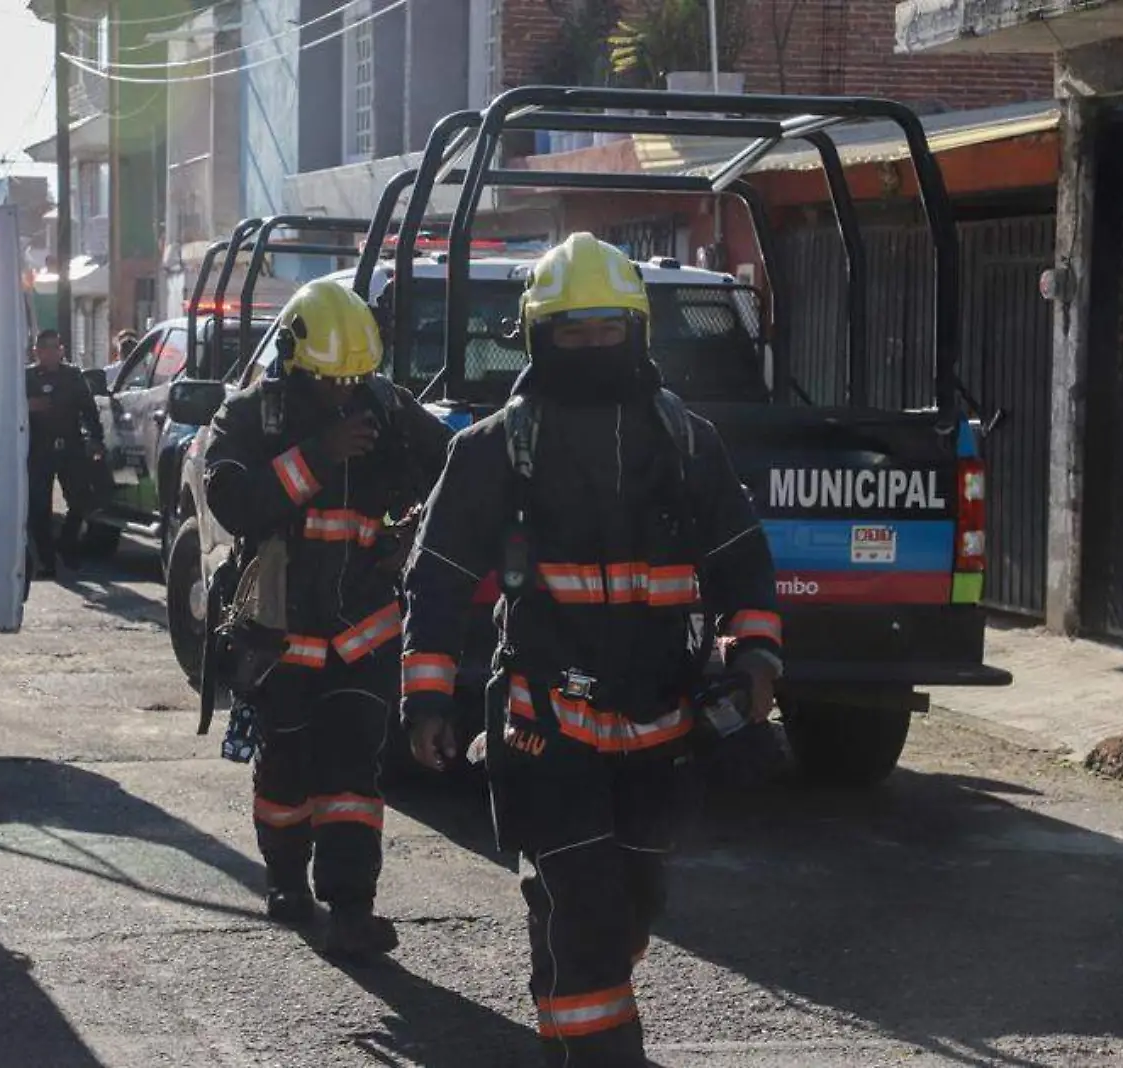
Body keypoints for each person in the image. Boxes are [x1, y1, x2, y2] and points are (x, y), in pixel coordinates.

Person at [398, 233, 783, 1065]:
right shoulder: (494, 447)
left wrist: (755, 658)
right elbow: (435, 576)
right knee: (595, 918)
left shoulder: (688, 443)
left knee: (626, 911)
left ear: (637, 332)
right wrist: (427, 698)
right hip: (546, 734)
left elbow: (741, 557)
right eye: (572, 332)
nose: (592, 346)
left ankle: (565, 998)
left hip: (659, 733)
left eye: (607, 330)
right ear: (539, 337)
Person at [201, 277, 451, 957]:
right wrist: (319, 455)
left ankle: (351, 909)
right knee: (286, 768)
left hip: (362, 631)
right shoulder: (250, 417)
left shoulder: (388, 406)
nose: (345, 394)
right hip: (281, 636)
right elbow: (236, 503)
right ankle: (286, 880)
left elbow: (456, 471)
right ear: (293, 361)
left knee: (352, 770)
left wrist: (415, 528)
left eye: (354, 380)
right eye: (329, 381)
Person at [26, 328, 105, 578]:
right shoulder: (26, 377)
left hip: (69, 445)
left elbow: (89, 410)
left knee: (80, 500)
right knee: (39, 507)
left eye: (55, 348)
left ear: (61, 351)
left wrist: (95, 438)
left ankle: (67, 544)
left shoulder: (72, 376)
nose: (50, 353)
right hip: (38, 447)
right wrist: (27, 406)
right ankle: (47, 561)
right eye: (45, 348)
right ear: (36, 351)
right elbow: (8, 409)